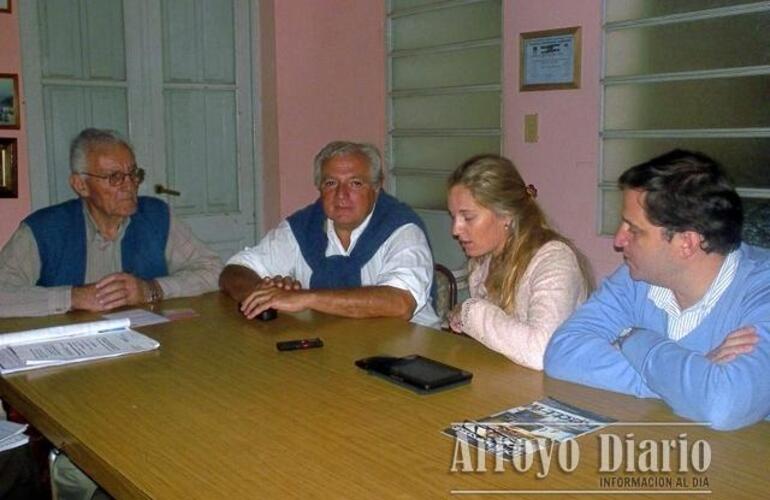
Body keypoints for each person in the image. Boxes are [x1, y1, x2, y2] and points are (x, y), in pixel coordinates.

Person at [544, 149, 770, 430]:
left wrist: (633, 338)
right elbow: (561, 352)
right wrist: (687, 380)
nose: (618, 240)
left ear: (686, 243)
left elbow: (723, 405)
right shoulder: (636, 279)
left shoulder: (762, 293)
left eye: (634, 230)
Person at [0, 128, 223, 317]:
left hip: (149, 342)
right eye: (114, 177)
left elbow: (214, 271)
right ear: (80, 185)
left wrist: (151, 289)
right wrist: (73, 297)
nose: (130, 185)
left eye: (133, 174)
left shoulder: (156, 216)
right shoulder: (44, 229)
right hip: (71, 348)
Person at [220, 141, 439, 327]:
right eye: (331, 183)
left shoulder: (402, 229)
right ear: (319, 188)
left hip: (409, 350)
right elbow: (235, 270)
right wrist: (265, 294)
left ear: (376, 187)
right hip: (335, 345)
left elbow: (400, 303)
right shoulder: (303, 226)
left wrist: (304, 299)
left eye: (355, 183)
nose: (341, 195)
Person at [446, 154, 591, 370]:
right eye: (453, 217)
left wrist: (471, 312)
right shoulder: (483, 261)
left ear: (505, 215)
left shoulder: (555, 260)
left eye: (468, 218)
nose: (455, 230)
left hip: (563, 384)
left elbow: (541, 352)